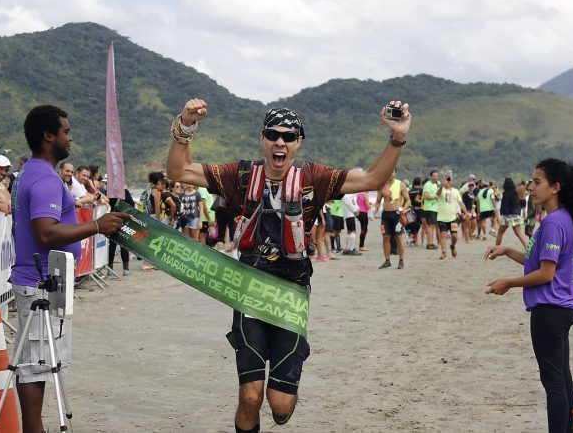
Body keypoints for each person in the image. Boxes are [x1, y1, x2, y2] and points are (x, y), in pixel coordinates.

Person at [166, 98, 411, 432]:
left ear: (298, 142)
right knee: (250, 397)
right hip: (249, 291)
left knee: (280, 405)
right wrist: (185, 126)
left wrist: (397, 138)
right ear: (262, 139)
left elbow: (370, 179)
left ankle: (283, 391)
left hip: (290, 294)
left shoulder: (315, 178)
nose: (280, 142)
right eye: (272, 134)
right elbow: (178, 172)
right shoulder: (240, 176)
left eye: (288, 136)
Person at [10, 105, 129, 432]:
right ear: (49, 136)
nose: (70, 137)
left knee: (39, 360)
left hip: (40, 279)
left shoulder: (30, 173)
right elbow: (46, 231)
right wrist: (97, 225)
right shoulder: (45, 179)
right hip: (39, 283)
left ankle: (35, 426)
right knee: (36, 363)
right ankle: (34, 428)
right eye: (66, 131)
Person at [485, 158, 573, 433]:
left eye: (537, 182)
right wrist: (507, 250)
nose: (530, 187)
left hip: (551, 310)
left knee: (554, 384)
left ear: (555, 187)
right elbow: (540, 262)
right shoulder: (564, 217)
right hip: (565, 308)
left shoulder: (554, 222)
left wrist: (508, 282)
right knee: (563, 379)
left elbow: (546, 274)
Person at [374, 169, 410, 269]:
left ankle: (401, 260)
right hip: (385, 215)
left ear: (395, 173)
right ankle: (387, 261)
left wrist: (404, 208)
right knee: (385, 237)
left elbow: (408, 200)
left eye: (392, 172)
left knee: (398, 237)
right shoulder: (382, 185)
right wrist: (376, 206)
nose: (390, 174)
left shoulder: (400, 184)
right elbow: (378, 200)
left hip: (397, 214)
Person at [436, 174, 467, 259]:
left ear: (452, 182)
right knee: (443, 235)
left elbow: (460, 202)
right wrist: (442, 185)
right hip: (441, 218)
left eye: (449, 180)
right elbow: (437, 194)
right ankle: (443, 252)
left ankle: (452, 246)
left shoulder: (455, 191)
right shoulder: (440, 190)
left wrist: (465, 211)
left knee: (454, 236)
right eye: (446, 180)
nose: (448, 182)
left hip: (453, 218)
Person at [496, 177, 528, 248]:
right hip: (516, 215)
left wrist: (506, 216)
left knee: (500, 233)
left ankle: (496, 248)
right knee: (519, 233)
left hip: (508, 216)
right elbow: (521, 204)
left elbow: (505, 205)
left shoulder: (505, 193)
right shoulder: (515, 193)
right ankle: (528, 248)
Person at [421, 170, 440, 249]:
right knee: (430, 226)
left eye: (437, 176)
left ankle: (431, 242)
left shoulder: (435, 185)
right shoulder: (427, 185)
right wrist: (435, 197)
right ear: (431, 176)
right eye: (434, 176)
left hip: (435, 208)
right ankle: (429, 243)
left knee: (433, 226)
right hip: (429, 208)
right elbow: (425, 196)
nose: (435, 177)